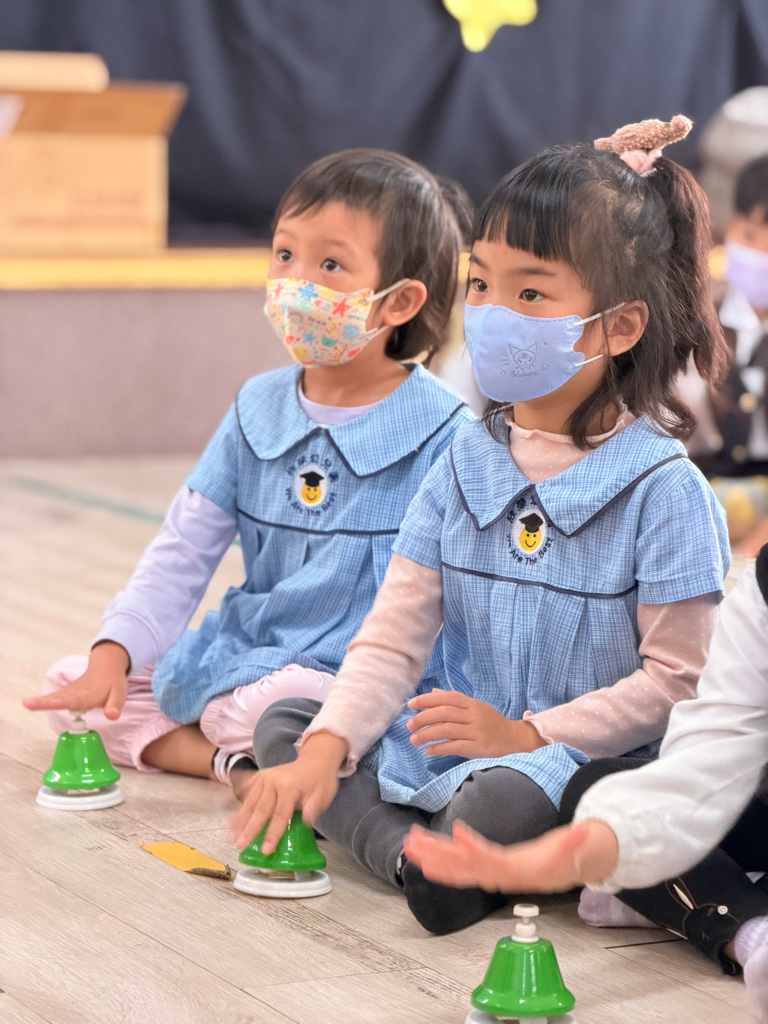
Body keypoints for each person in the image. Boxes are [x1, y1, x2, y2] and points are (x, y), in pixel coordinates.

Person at [229, 117, 731, 935]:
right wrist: (326, 748)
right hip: (453, 737)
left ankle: (439, 854)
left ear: (619, 326)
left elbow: (677, 683)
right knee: (290, 723)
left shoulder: (664, 489)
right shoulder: (463, 457)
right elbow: (394, 636)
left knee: (509, 796)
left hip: (566, 759)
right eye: (482, 284)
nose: (494, 313)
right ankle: (422, 863)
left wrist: (527, 733)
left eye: (531, 293)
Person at [24, 148, 473, 786]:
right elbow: (182, 552)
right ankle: (235, 764)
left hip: (355, 676)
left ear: (397, 302)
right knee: (75, 685)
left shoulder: (444, 428)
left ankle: (268, 747)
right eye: (284, 254)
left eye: (330, 264)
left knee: (285, 706)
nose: (294, 281)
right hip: (249, 652)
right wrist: (112, 653)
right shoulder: (254, 408)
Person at [403, 549, 768, 1022]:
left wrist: (521, 735)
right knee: (593, 791)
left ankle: (684, 901)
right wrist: (572, 855)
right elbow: (704, 763)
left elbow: (673, 682)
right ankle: (742, 925)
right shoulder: (758, 597)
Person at [680, 154, 768, 551]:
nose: (762, 253)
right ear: (731, 228)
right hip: (694, 499)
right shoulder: (691, 322)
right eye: (751, 236)